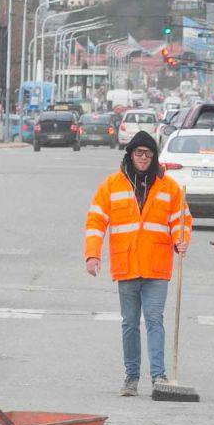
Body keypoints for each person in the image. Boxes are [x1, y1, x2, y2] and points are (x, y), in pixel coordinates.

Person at [84, 131, 192, 397]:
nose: (143, 158)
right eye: (138, 153)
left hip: (157, 265)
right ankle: (131, 378)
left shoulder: (169, 187)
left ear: (154, 157)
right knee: (130, 323)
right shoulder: (112, 185)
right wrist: (92, 254)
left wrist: (181, 239)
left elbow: (181, 219)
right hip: (127, 264)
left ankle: (158, 376)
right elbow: (96, 220)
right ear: (130, 155)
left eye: (148, 154)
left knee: (154, 319)